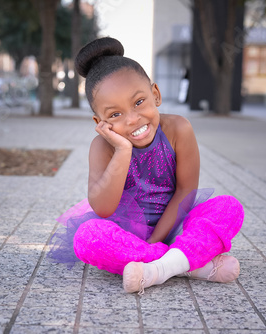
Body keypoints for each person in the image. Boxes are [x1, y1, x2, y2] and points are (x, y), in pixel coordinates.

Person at [47, 37, 244, 295]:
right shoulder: (101, 147)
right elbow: (103, 208)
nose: (132, 119)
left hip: (176, 226)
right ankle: (186, 265)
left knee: (229, 208)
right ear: (100, 121)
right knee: (86, 238)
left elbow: (186, 191)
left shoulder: (178, 129)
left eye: (139, 102)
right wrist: (122, 150)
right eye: (115, 115)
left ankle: (156, 266)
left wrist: (155, 240)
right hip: (126, 234)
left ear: (156, 94)